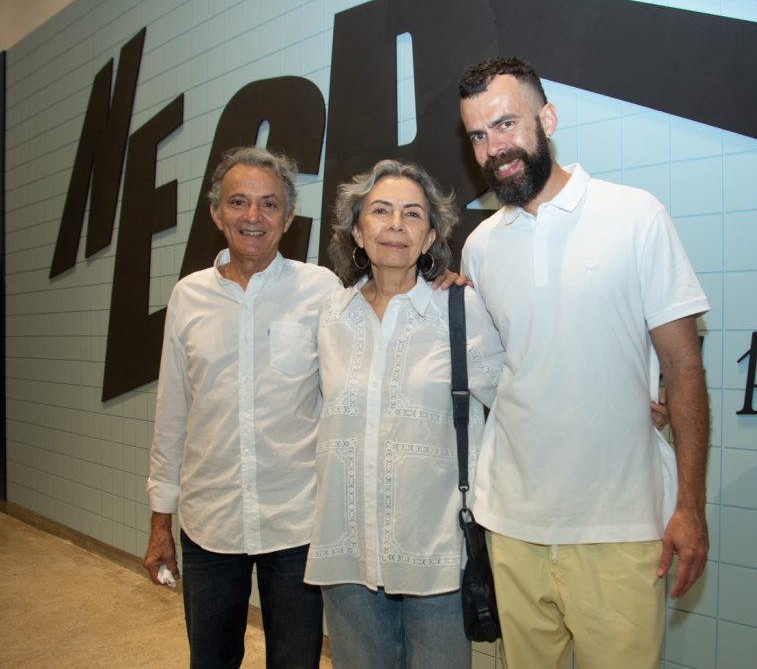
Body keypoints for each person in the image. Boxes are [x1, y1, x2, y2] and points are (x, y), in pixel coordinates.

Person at [457, 57, 711, 668]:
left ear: (547, 118)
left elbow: (683, 368)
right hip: (511, 526)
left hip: (620, 528)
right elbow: (498, 374)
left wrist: (691, 506)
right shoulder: (481, 244)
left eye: (507, 124)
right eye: (478, 136)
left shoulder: (634, 215)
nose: (495, 149)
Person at [142, 146, 339, 668]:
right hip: (210, 525)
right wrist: (161, 522)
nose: (253, 217)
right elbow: (172, 414)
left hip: (297, 524)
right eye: (238, 202)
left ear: (288, 216)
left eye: (268, 204)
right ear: (216, 213)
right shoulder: (187, 297)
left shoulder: (322, 291)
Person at [304, 159, 504, 669]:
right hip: (345, 553)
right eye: (381, 211)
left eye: (412, 214)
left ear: (431, 234)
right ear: (356, 230)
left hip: (433, 555)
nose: (396, 224)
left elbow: (517, 398)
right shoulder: (331, 316)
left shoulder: (459, 311)